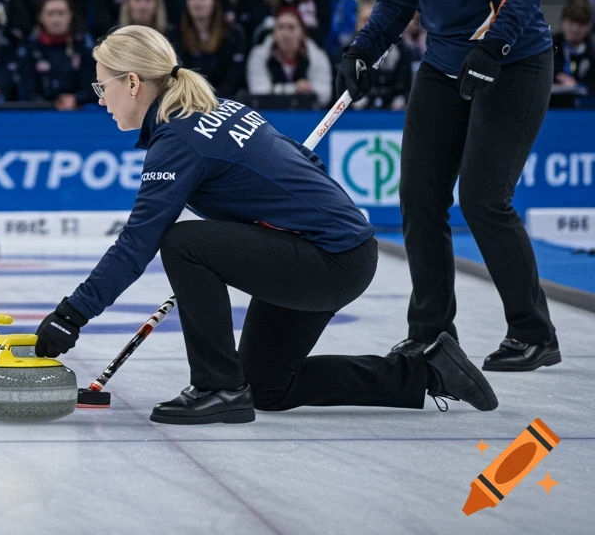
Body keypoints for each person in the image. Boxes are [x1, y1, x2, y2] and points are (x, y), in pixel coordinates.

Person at [31, 25, 499, 424]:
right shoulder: (214, 106)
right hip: (340, 249)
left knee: (181, 242)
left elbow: (139, 241)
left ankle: (217, 387)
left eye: (102, 87)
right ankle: (427, 371)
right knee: (269, 385)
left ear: (132, 83)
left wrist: (73, 315)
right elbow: (301, 158)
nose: (101, 99)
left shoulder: (178, 139)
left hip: (329, 258)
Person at [339, 0, 558, 372]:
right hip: (443, 64)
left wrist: (496, 41)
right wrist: (364, 47)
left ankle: (534, 333)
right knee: (418, 198)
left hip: (513, 62)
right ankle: (432, 333)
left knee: (484, 198)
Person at [15, 0, 96, 111]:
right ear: (40, 17)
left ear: (70, 15)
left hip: (79, 114)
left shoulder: (84, 48)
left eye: (61, 13)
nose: (56, 19)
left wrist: (76, 99)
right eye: (50, 14)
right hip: (41, 116)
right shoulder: (29, 51)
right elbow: (28, 92)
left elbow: (94, 87)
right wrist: (51, 106)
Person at [553, 0, 593, 94]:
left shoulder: (592, 50)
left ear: (588, 26)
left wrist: (578, 85)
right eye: (571, 22)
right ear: (562, 21)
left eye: (580, 24)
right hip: (554, 106)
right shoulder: (550, 46)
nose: (575, 29)